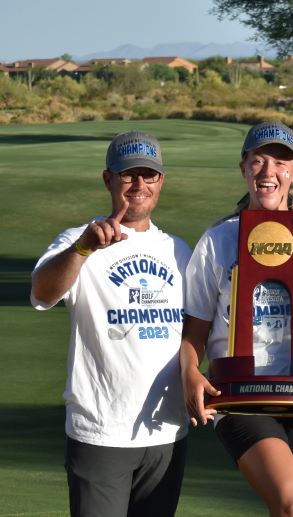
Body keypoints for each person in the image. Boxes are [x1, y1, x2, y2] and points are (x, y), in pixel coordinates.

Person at [179, 121, 293, 517]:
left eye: (279, 163)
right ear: (243, 168)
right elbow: (196, 333)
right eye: (257, 162)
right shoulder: (218, 241)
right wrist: (189, 371)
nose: (268, 172)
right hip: (240, 398)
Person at [31, 131, 190, 517]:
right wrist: (84, 249)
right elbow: (42, 292)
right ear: (108, 179)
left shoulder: (178, 250)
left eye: (148, 175)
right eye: (128, 175)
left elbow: (192, 334)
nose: (139, 185)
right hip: (101, 433)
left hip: (167, 432)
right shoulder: (79, 241)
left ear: (160, 181)